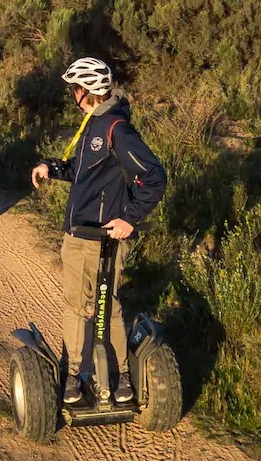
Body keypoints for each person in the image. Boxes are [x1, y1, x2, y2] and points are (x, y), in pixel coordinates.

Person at [30, 57, 167, 406]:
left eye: (74, 89)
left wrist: (130, 218)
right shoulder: (93, 123)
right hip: (78, 234)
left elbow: (155, 176)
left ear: (84, 92)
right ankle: (76, 375)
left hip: (104, 238)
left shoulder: (116, 128)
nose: (72, 95)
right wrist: (52, 167)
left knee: (109, 308)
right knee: (77, 306)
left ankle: (119, 377)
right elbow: (84, 169)